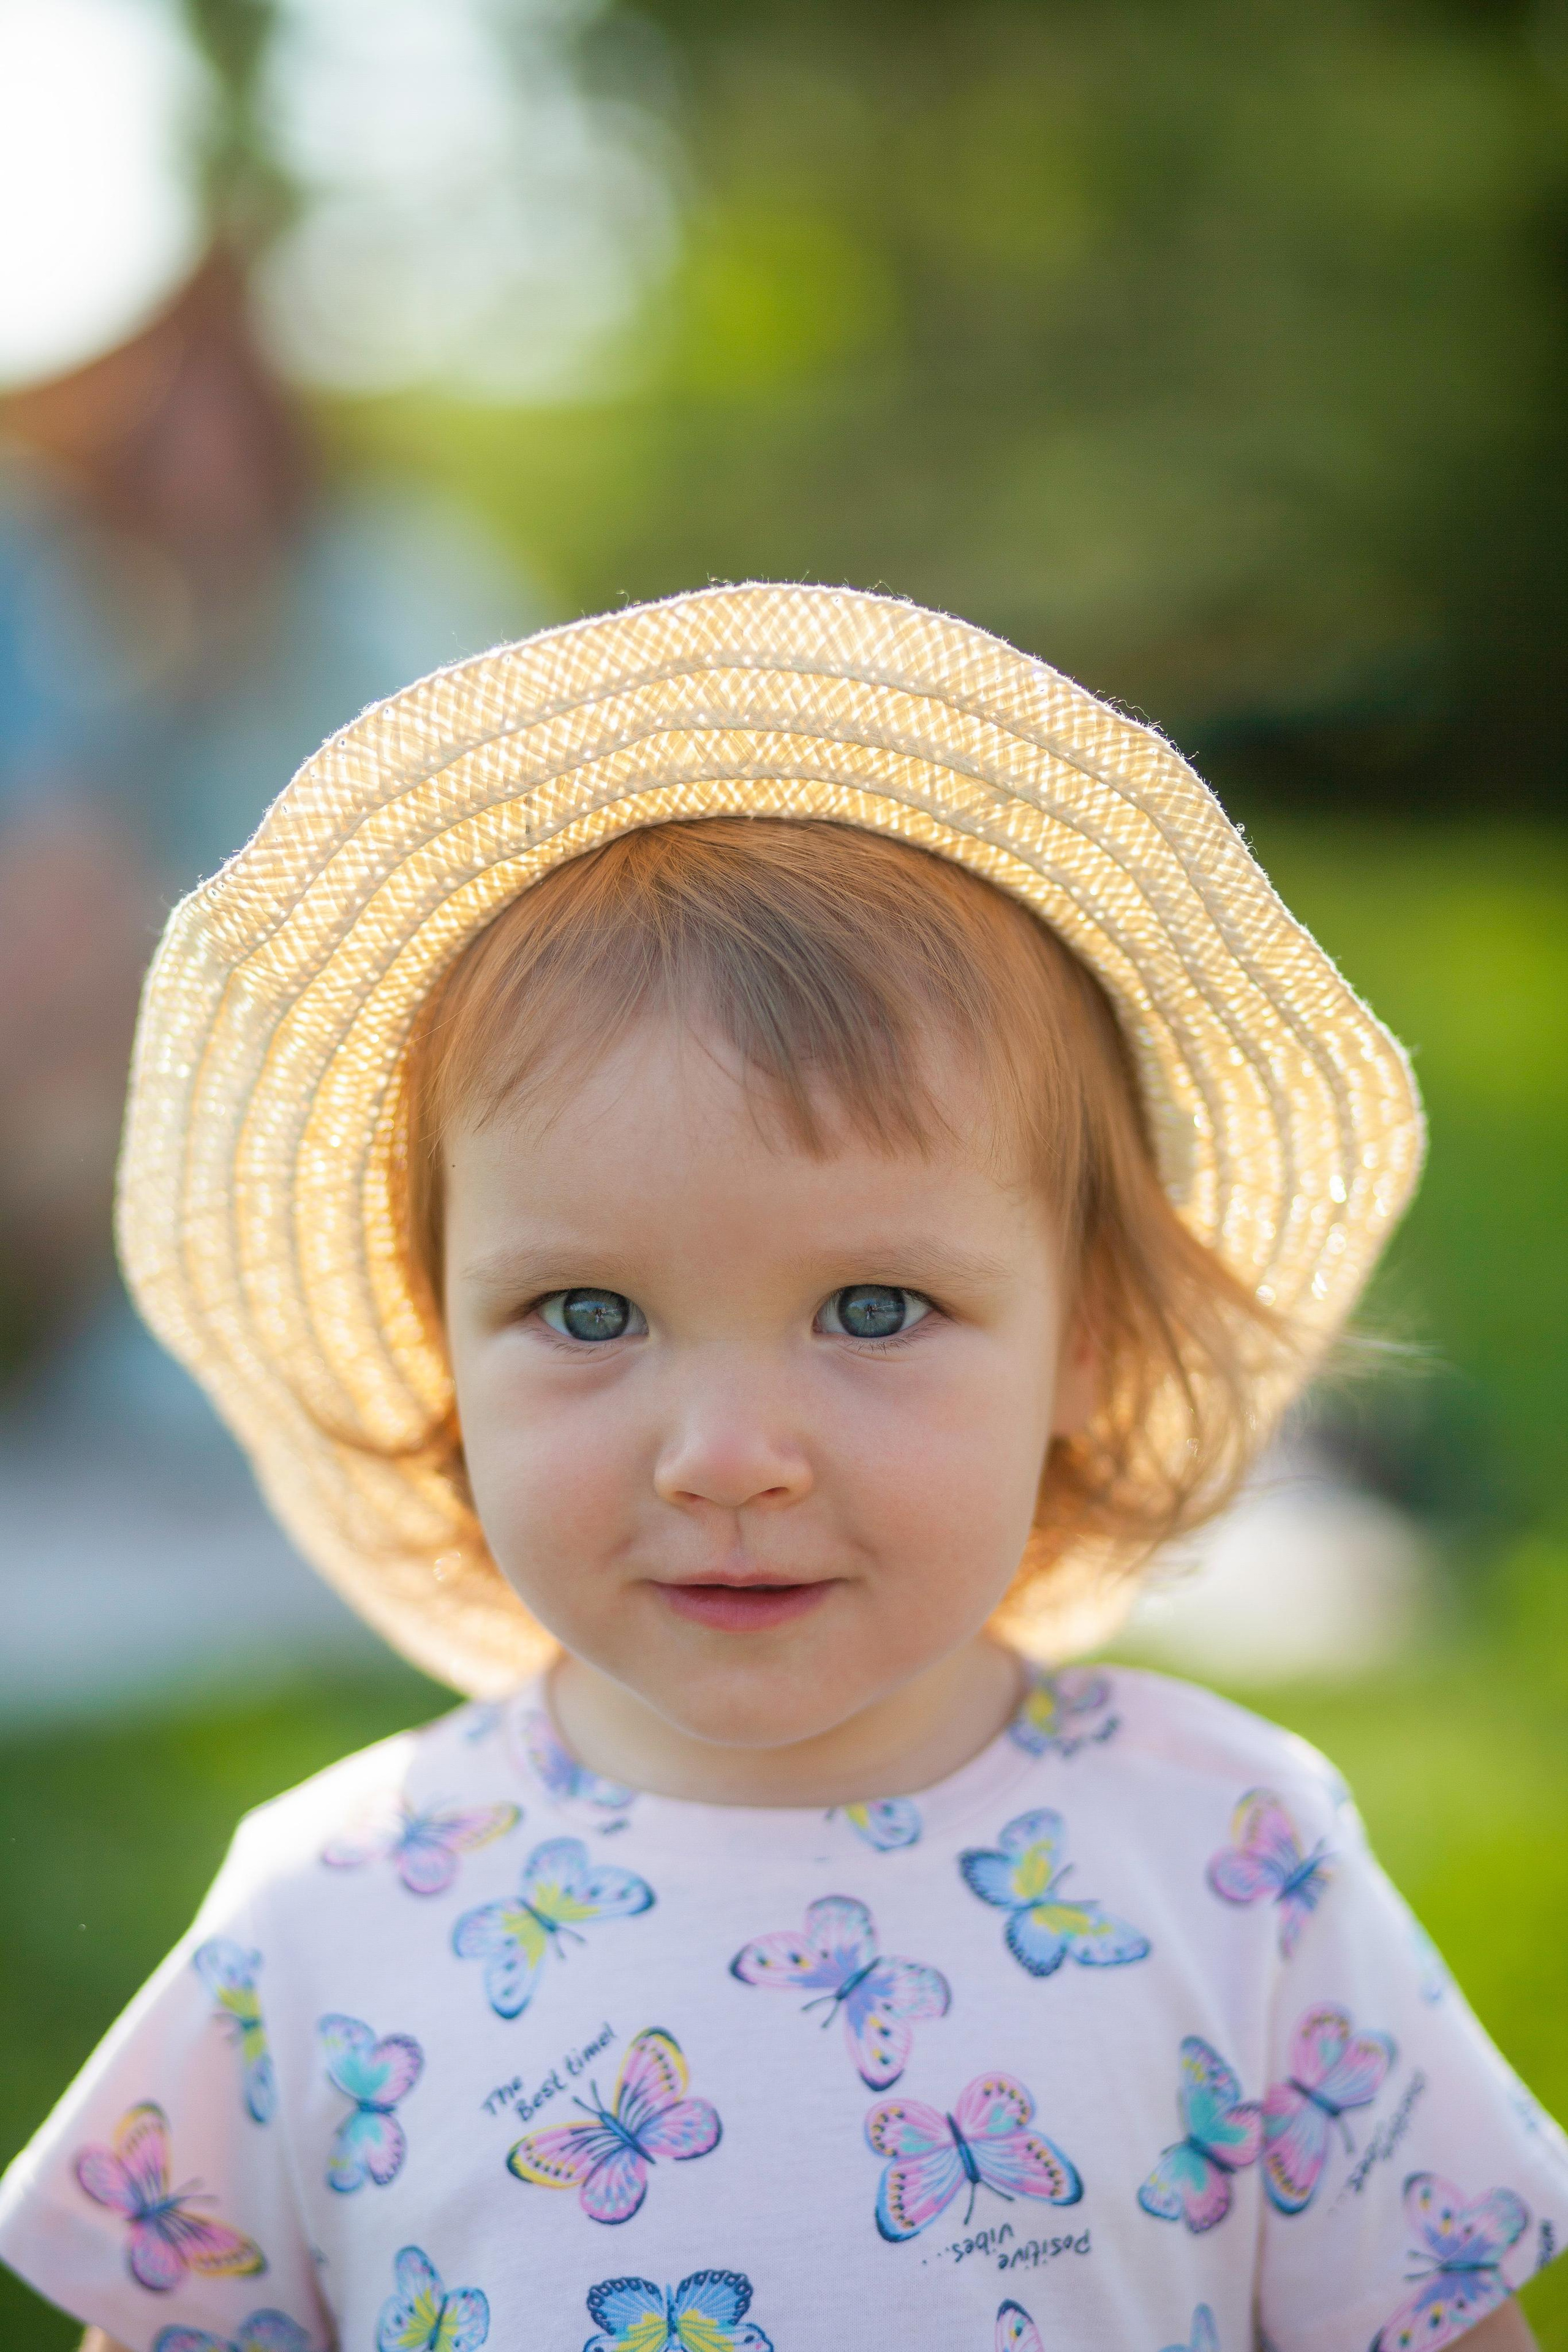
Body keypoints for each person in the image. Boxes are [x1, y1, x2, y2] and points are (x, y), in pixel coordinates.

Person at [1, 586, 1561, 2352]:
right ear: (443, 1345)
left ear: (1094, 1341)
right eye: (587, 1310)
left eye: (874, 1305)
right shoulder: (331, 1914)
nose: (728, 1455)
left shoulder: (1236, 1865)